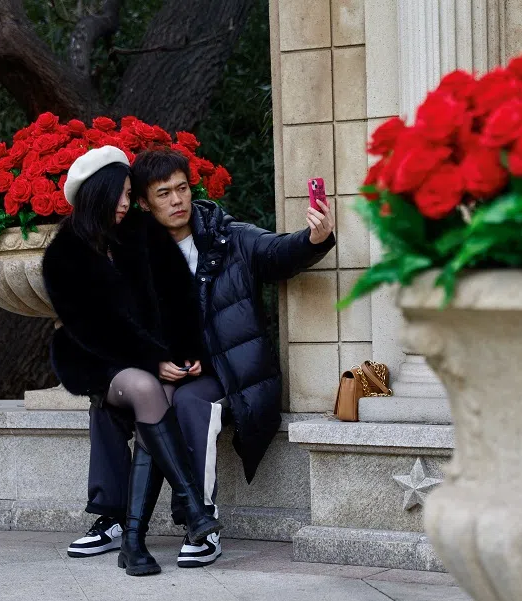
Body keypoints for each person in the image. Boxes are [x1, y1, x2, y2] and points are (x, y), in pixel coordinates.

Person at [66, 147, 336, 568]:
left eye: (182, 189)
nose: (177, 200)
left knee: (191, 401)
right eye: (164, 194)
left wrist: (315, 238)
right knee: (108, 400)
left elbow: (278, 253)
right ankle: (111, 517)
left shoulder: (228, 236)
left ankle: (202, 521)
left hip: (225, 374)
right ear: (144, 203)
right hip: (163, 373)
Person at [42, 146, 221, 577]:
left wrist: (183, 356)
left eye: (128, 194)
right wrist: (152, 358)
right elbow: (92, 328)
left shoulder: (141, 232)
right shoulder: (64, 254)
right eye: (120, 195)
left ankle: (134, 542)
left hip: (153, 360)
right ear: (96, 196)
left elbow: (178, 299)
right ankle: (193, 509)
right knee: (145, 388)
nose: (126, 203)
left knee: (157, 394)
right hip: (101, 362)